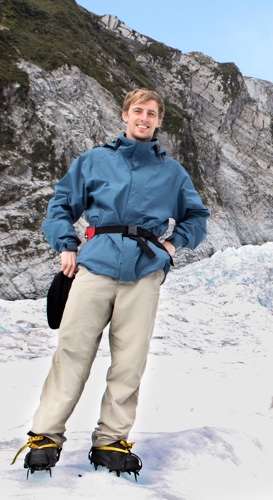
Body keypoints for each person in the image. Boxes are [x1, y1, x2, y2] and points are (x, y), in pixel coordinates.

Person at [12, 89, 210, 479]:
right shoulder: (94, 161)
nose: (144, 118)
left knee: (130, 361)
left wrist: (171, 245)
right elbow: (60, 207)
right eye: (138, 111)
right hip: (96, 265)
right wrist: (66, 245)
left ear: (158, 121)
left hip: (143, 273)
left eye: (152, 113)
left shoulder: (172, 173)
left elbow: (196, 217)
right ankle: (45, 437)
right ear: (125, 115)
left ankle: (110, 441)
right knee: (72, 352)